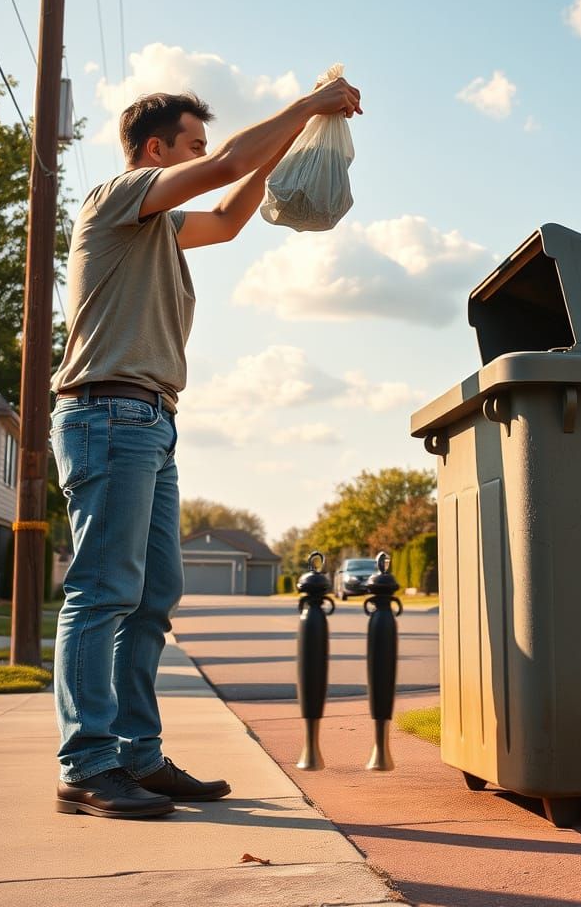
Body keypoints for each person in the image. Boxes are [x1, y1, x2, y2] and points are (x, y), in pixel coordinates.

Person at [50, 77, 362, 819]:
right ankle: (86, 764)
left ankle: (135, 755)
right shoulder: (114, 201)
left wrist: (293, 140)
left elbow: (226, 215)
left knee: (154, 597)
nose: (202, 154)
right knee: (102, 593)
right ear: (155, 152)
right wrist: (308, 105)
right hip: (108, 413)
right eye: (190, 145)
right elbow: (223, 169)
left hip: (151, 423)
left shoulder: (158, 226)